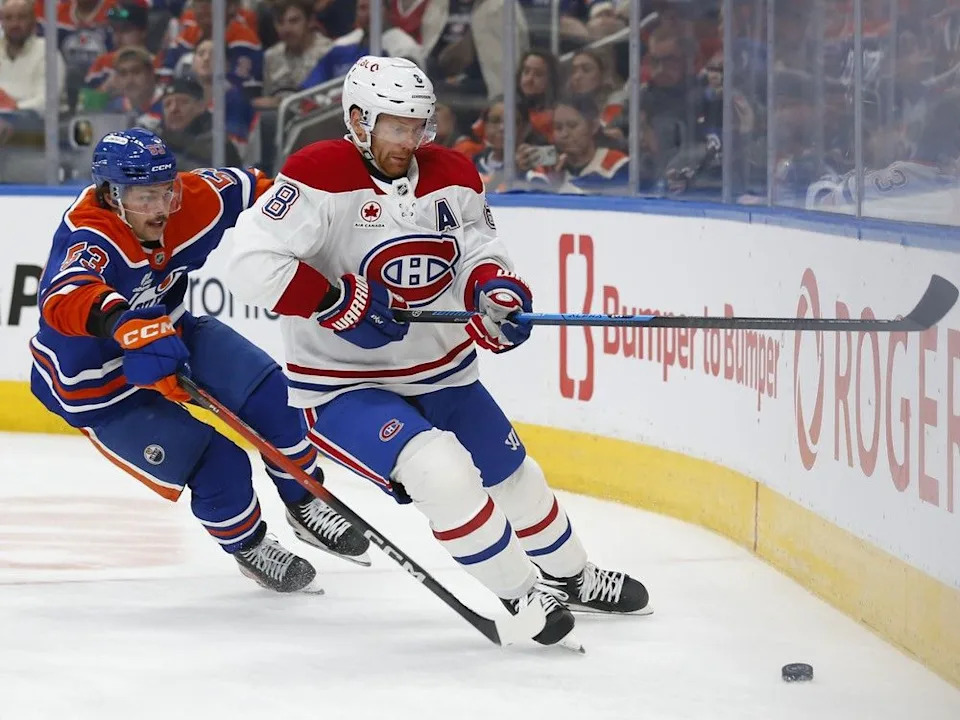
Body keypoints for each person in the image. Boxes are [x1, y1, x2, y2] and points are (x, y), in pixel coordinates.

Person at [225, 56, 649, 648]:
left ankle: (573, 576)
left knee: (515, 477)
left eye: (420, 125)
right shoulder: (316, 174)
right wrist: (332, 300)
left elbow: (478, 247)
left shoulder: (452, 173)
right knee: (440, 472)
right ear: (357, 118)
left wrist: (492, 291)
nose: (411, 140)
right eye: (396, 126)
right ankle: (520, 593)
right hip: (344, 385)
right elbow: (247, 264)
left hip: (443, 373)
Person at [30, 128, 370, 594]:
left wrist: (328, 229)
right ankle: (250, 547)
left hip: (172, 333)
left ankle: (304, 500)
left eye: (165, 192)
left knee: (278, 399)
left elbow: (263, 192)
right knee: (218, 462)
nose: (160, 208)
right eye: (144, 196)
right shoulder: (90, 234)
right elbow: (64, 295)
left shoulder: (191, 199)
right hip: (99, 387)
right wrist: (122, 325)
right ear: (112, 194)